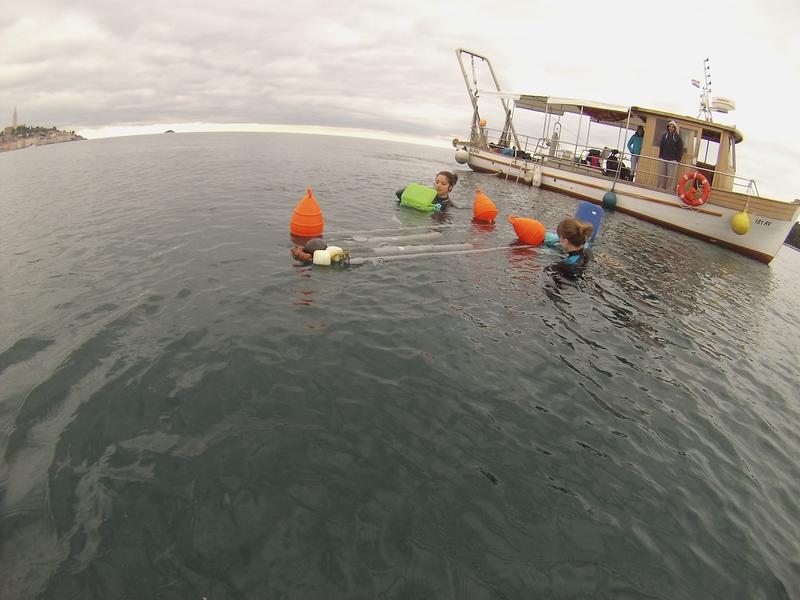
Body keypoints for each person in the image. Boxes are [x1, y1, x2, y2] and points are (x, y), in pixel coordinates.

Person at [658, 121, 684, 191]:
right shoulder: (664, 136)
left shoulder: (678, 138)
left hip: (673, 160)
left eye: (672, 127)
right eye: (670, 126)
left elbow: (680, 149)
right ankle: (660, 188)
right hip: (663, 158)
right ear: (668, 127)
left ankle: (669, 190)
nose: (671, 128)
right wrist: (660, 156)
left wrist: (678, 159)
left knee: (671, 177)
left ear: (675, 128)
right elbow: (661, 146)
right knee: (662, 175)